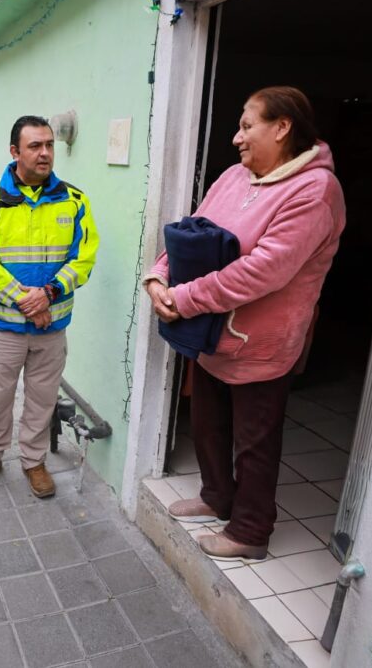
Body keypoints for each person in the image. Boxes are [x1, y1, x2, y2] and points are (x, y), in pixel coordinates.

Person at [144, 86, 346, 562]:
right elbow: (193, 231)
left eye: (247, 126)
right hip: (211, 332)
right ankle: (217, 496)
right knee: (208, 421)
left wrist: (184, 298)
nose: (236, 138)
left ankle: (251, 531)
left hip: (261, 342)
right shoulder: (235, 176)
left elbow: (263, 271)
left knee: (254, 440)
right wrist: (159, 276)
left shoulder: (315, 191)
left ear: (282, 128)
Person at [0, 115, 100, 499]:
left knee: (42, 400)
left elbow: (84, 258)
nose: (44, 153)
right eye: (35, 146)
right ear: (15, 151)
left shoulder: (74, 200)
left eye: (49, 145)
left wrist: (49, 294)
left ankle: (33, 461)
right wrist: (27, 301)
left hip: (51, 328)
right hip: (5, 328)